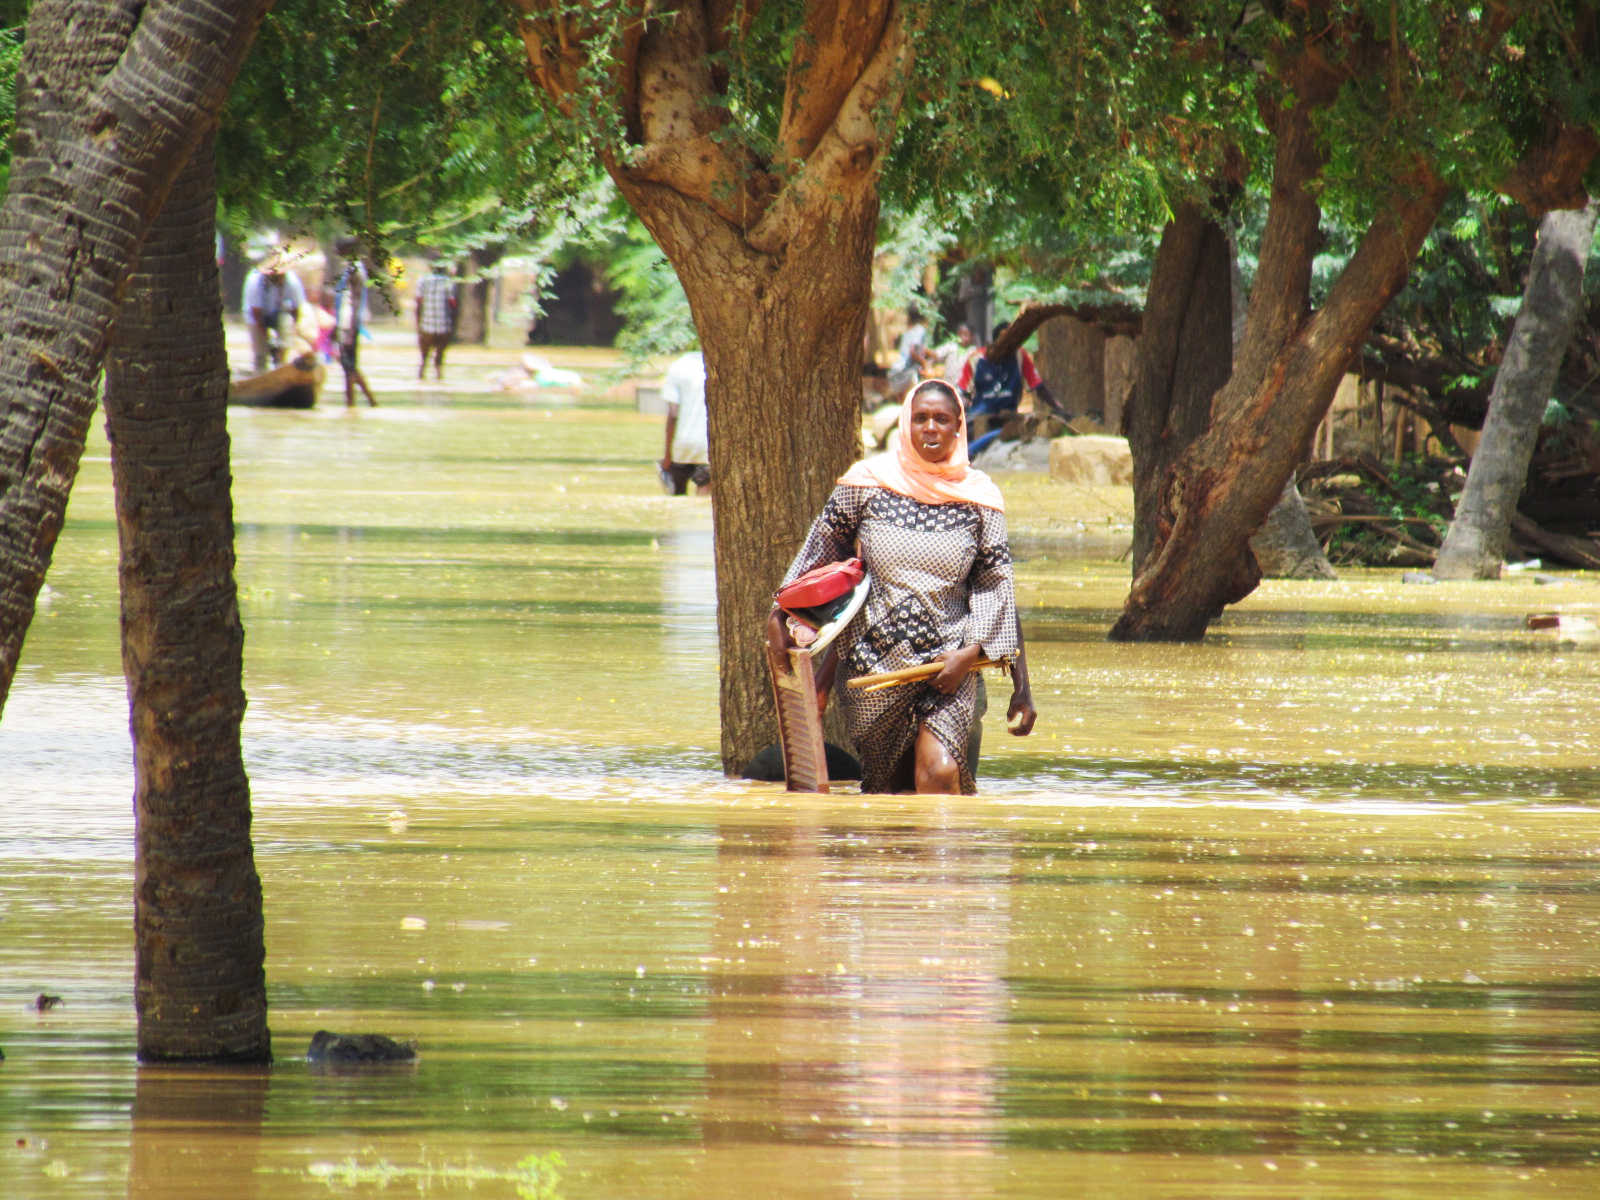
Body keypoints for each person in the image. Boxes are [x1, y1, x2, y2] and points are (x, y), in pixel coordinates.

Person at [771, 379, 1037, 794]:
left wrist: (978, 660)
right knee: (889, 795)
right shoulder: (865, 485)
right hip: (872, 674)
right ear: (905, 424)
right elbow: (821, 566)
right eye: (921, 418)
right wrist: (783, 620)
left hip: (949, 669)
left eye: (942, 419)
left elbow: (997, 588)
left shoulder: (980, 498)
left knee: (940, 773)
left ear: (958, 428)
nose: (931, 427)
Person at [955, 320, 1067, 433]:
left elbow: (1039, 387)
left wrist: (1060, 409)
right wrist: (957, 414)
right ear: (994, 343)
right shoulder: (976, 358)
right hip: (980, 415)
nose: (1008, 348)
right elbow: (965, 393)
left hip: (1009, 415)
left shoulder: (1019, 355)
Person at [331, 235, 378, 407]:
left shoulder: (355, 271)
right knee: (347, 366)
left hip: (350, 324)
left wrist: (350, 331)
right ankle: (353, 403)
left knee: (348, 365)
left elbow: (356, 302)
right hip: (345, 323)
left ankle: (364, 401)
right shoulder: (350, 268)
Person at [242, 254, 306, 373]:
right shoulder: (255, 281)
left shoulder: (292, 282)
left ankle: (280, 366)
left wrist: (291, 333)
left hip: (280, 313)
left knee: (285, 337)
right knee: (261, 351)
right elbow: (256, 313)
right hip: (256, 316)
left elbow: (296, 310)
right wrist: (268, 340)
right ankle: (260, 374)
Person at [659, 349, 709, 496]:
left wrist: (667, 456)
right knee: (704, 501)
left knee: (677, 498)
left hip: (681, 446)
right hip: (707, 447)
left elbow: (673, 415)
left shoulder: (677, 367)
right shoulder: (717, 365)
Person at [415, 260, 457, 380]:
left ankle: (421, 379)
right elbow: (453, 304)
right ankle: (439, 379)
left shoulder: (422, 281)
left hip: (427, 325)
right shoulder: (449, 283)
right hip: (444, 325)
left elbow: (418, 304)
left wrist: (418, 325)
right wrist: (452, 325)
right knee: (439, 360)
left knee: (423, 360)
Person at [886, 308, 934, 399]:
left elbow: (917, 349)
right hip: (907, 370)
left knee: (902, 400)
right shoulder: (920, 330)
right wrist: (925, 365)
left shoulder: (909, 331)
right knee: (911, 399)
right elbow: (912, 352)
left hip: (897, 368)